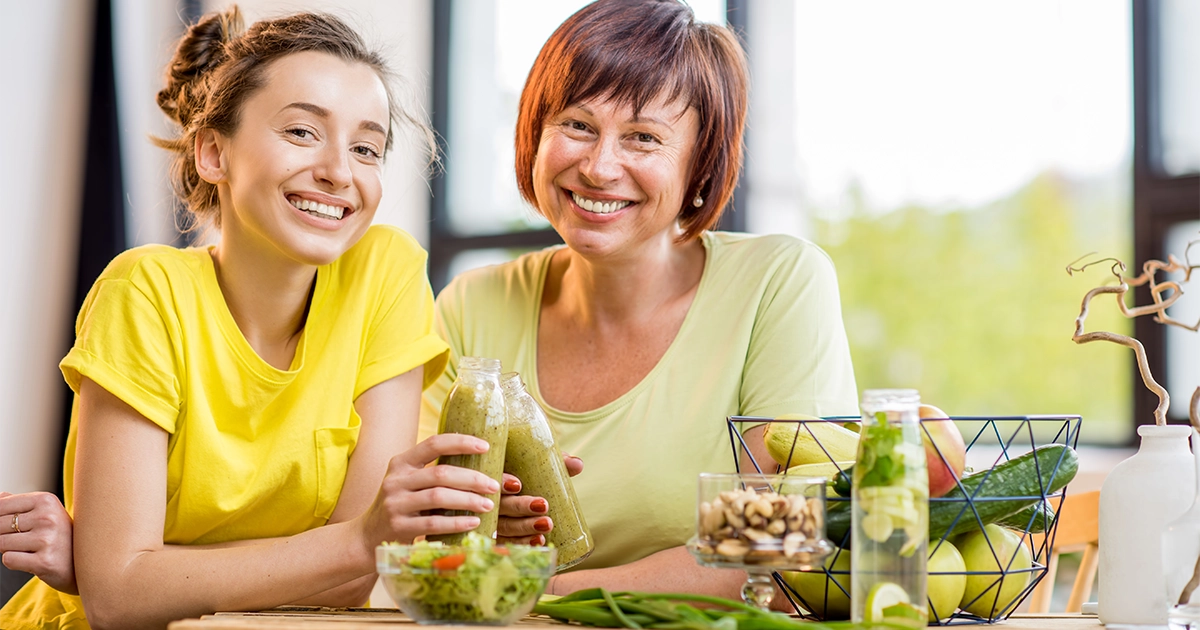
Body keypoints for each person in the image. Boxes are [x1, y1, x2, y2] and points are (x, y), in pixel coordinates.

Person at [0, 7, 501, 629]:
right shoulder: (147, 292)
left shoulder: (386, 274)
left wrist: (138, 569)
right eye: (301, 132)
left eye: (367, 147)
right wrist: (353, 540)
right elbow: (117, 602)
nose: (340, 172)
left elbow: (345, 588)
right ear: (213, 151)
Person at [420, 0, 859, 602]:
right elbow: (425, 544)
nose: (599, 166)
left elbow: (780, 548)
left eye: (643, 138)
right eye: (577, 124)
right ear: (534, 135)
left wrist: (536, 587)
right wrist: (488, 537)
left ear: (699, 166)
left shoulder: (777, 282)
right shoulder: (473, 305)